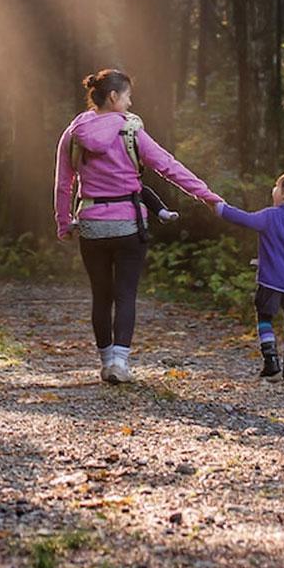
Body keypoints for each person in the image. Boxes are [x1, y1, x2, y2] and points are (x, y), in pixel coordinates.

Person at [54, 69, 221, 384]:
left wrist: (64, 223)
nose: (130, 103)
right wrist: (206, 196)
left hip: (91, 225)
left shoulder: (74, 132)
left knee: (101, 295)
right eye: (128, 96)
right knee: (126, 294)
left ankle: (105, 363)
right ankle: (120, 362)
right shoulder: (130, 131)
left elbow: (64, 183)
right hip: (129, 224)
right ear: (114, 97)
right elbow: (168, 166)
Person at [214, 172, 284, 383]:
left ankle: (271, 361)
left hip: (271, 282)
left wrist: (220, 208)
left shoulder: (270, 216)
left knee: (264, 318)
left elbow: (244, 219)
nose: (273, 189)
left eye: (276, 186)